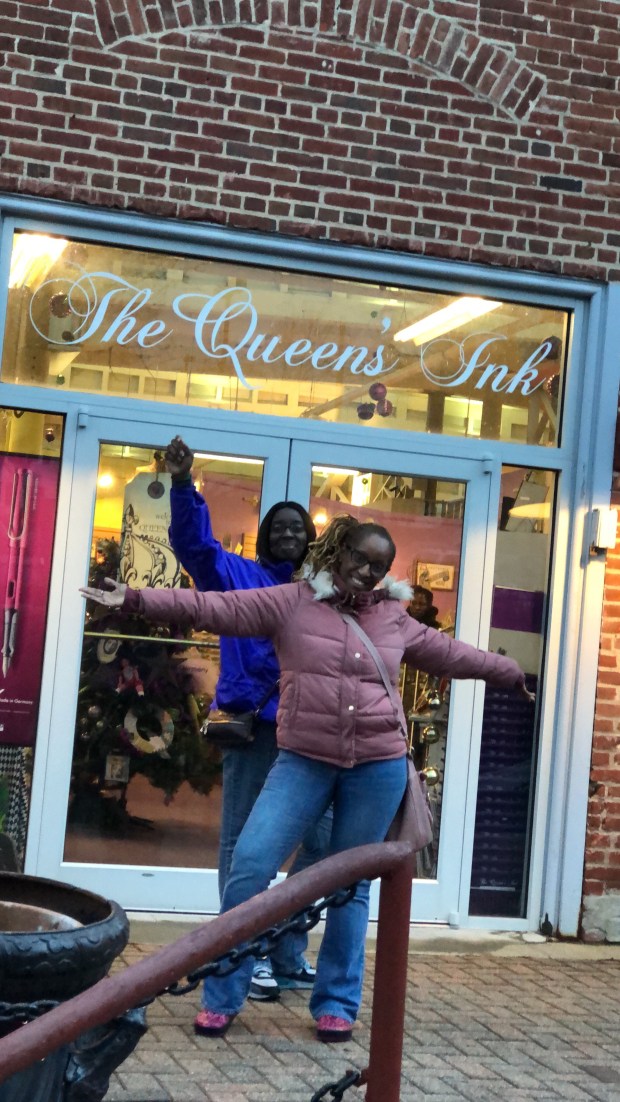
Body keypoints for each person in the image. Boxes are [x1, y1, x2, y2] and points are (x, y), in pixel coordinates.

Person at [81, 515, 534, 1044]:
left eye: (380, 565)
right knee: (250, 866)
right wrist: (135, 598)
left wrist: (510, 674)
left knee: (350, 886)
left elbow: (452, 655)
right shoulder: (292, 602)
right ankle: (223, 995)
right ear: (339, 551)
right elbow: (213, 608)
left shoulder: (394, 618)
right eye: (360, 558)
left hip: (378, 766)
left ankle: (336, 1003)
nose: (367, 571)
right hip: (304, 760)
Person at [164, 435, 327, 1002]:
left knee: (326, 843)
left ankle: (284, 947)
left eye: (297, 528)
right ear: (264, 537)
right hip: (256, 729)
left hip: (310, 733)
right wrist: (183, 484)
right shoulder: (238, 576)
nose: (288, 534)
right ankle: (241, 953)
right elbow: (195, 547)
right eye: (278, 527)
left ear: (311, 539)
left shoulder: (322, 593)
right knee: (241, 846)